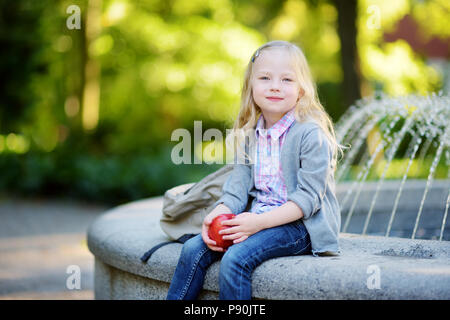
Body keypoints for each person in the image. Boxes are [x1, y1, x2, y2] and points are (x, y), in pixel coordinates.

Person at [166, 40, 346, 300]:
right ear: (251, 86)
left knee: (236, 259)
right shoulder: (249, 133)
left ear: (302, 90)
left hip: (300, 226)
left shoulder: (310, 134)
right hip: (256, 217)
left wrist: (258, 223)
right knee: (193, 249)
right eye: (264, 77)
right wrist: (218, 213)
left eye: (287, 79)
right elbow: (236, 191)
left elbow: (307, 200)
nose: (275, 86)